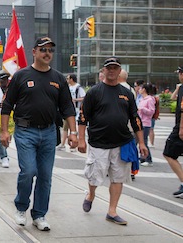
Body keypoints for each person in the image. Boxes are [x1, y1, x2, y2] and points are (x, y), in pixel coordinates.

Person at [0, 37, 77, 231]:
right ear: (34, 52)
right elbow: (7, 105)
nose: (47, 53)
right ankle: (21, 207)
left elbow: (67, 107)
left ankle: (39, 215)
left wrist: (74, 133)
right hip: (25, 131)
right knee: (28, 171)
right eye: (43, 50)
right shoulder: (21, 76)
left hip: (49, 132)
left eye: (50, 50)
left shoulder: (59, 78)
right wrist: (3, 131)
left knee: (45, 176)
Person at [78, 57, 147, 225]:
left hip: (121, 142)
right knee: (95, 176)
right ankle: (91, 194)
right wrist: (81, 139)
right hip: (98, 142)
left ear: (119, 71)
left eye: (115, 68)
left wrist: (142, 143)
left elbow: (135, 119)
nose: (111, 70)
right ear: (103, 70)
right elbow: (83, 116)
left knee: (118, 177)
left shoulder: (127, 93)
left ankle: (112, 211)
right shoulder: (94, 92)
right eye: (109, 67)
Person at [163, 66, 183, 198]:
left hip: (181, 126)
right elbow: (173, 98)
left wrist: (181, 128)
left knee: (168, 153)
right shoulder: (181, 88)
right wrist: (177, 88)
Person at [57, 74, 85, 152]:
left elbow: (83, 97)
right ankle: (62, 144)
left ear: (72, 79)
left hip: (76, 110)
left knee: (74, 128)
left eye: (68, 78)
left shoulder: (78, 87)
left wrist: (75, 100)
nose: (67, 80)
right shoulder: (67, 87)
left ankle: (74, 146)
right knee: (65, 127)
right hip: (67, 111)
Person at [0, 71, 10, 168]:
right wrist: (1, 105)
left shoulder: (11, 90)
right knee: (2, 137)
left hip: (11, 118)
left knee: (9, 138)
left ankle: (0, 153)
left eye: (6, 79)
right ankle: (4, 156)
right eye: (2, 80)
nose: (4, 81)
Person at [137, 83, 155, 167]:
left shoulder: (149, 99)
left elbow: (151, 111)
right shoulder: (142, 99)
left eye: (140, 88)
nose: (139, 90)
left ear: (144, 89)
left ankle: (148, 159)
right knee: (140, 140)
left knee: (143, 141)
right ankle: (143, 157)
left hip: (146, 123)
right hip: (140, 122)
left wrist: (142, 109)